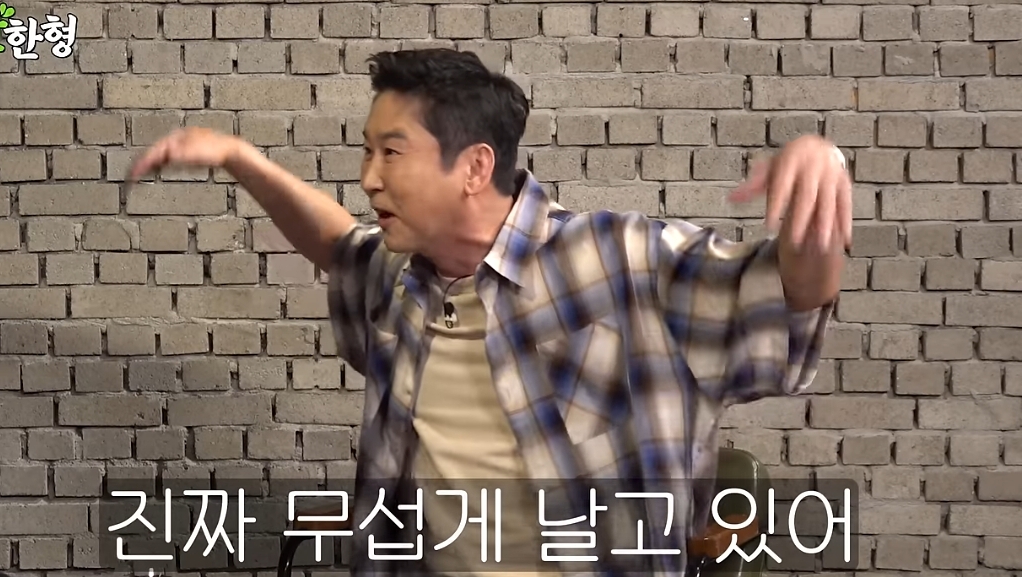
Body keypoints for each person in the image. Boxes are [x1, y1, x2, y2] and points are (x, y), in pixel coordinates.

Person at [128, 49, 850, 577]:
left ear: (474, 167)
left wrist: (820, 177)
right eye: (367, 152)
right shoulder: (402, 277)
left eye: (391, 152)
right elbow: (336, 243)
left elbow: (787, 294)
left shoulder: (619, 259)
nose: (368, 177)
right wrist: (239, 158)